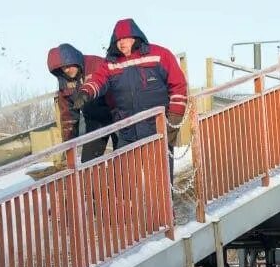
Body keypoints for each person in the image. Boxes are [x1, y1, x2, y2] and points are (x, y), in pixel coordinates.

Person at [75, 19, 188, 151]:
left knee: (159, 171)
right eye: (118, 40)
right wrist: (85, 92)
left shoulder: (160, 55)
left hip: (158, 127)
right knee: (127, 171)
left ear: (135, 37)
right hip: (127, 131)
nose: (121, 42)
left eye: (125, 38)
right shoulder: (111, 64)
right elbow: (98, 79)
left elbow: (178, 84)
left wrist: (175, 116)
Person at [47, 43, 113, 161]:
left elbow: (116, 84)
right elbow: (68, 116)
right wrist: (68, 143)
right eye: (63, 68)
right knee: (88, 162)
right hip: (94, 120)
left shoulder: (96, 64)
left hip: (116, 113)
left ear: (75, 60)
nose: (67, 70)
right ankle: (92, 178)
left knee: (124, 156)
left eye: (68, 65)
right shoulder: (65, 84)